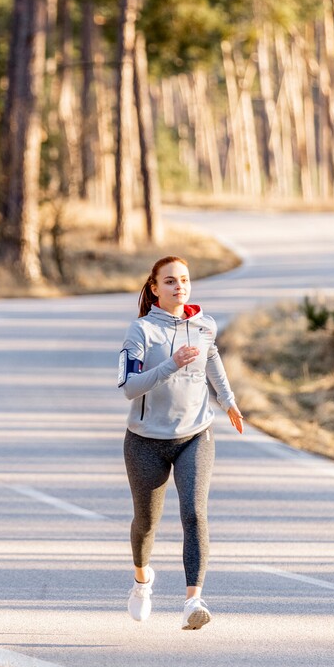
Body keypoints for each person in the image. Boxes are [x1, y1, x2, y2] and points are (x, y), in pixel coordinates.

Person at [116, 255, 244, 630]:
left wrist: (229, 400)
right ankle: (142, 581)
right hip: (146, 442)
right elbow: (129, 388)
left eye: (184, 280)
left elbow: (212, 359)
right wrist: (170, 364)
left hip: (195, 435)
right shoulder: (140, 331)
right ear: (155, 288)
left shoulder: (204, 325)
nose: (179, 286)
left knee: (194, 513)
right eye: (170, 281)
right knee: (147, 521)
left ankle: (193, 601)